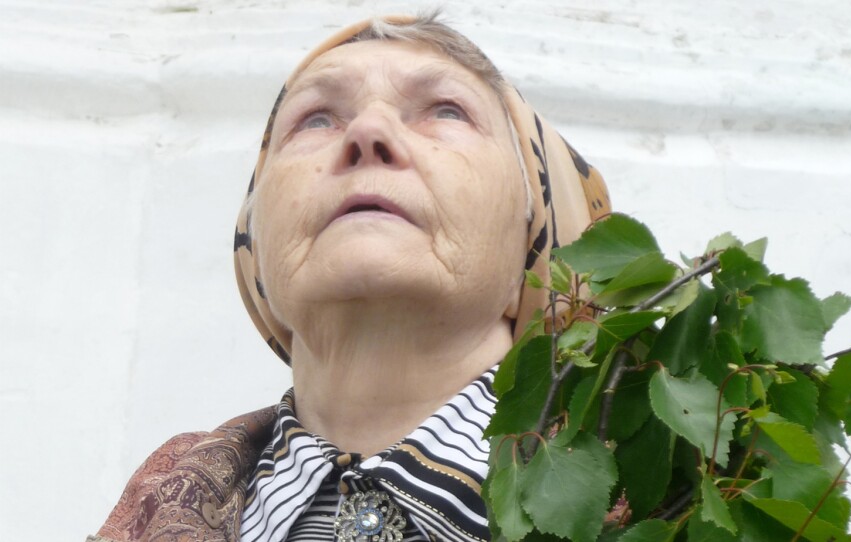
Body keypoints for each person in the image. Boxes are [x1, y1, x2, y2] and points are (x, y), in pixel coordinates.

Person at [88, 12, 610, 542]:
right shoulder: (153, 506)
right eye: (316, 119)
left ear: (537, 242)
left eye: (446, 111)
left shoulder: (649, 491)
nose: (368, 131)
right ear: (257, 251)